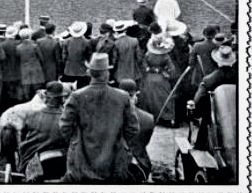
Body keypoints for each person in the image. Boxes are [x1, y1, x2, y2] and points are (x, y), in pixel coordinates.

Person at [59, 52, 139, 183]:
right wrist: (121, 142)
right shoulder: (123, 96)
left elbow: (64, 126)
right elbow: (133, 128)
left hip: (82, 158)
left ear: (90, 73)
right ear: (106, 74)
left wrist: (75, 141)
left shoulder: (76, 96)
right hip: (114, 158)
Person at [17, 81, 69, 182]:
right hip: (63, 162)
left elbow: (23, 137)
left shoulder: (33, 115)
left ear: (46, 98)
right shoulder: (68, 117)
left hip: (38, 161)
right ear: (62, 99)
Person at [118, 79, 156, 179]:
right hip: (140, 166)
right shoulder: (149, 119)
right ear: (135, 97)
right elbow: (144, 142)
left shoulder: (108, 115)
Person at [60, 22, 93, 90]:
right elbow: (89, 57)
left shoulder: (66, 41)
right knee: (81, 90)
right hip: (82, 71)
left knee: (68, 90)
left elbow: (64, 57)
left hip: (69, 70)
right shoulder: (87, 42)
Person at [16, 28, 44, 102]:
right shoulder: (35, 46)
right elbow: (41, 58)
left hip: (24, 70)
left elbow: (17, 59)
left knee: (26, 91)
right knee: (37, 90)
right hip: (35, 69)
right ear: (29, 36)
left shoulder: (18, 48)